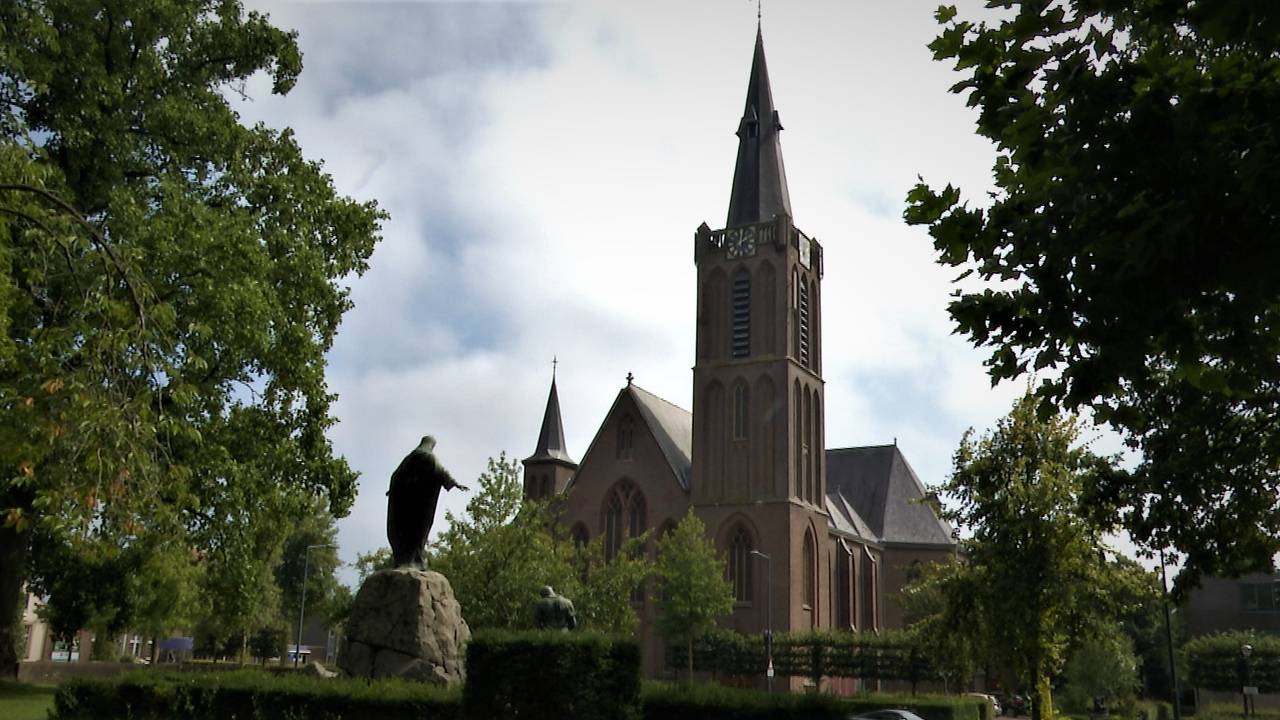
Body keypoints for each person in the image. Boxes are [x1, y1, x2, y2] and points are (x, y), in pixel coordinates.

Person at [386, 436, 467, 568]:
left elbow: (396, 476)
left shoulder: (409, 458)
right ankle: (414, 561)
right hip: (420, 506)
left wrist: (393, 490)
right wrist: (455, 483)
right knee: (419, 532)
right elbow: (441, 471)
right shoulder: (428, 457)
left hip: (406, 504)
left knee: (405, 531)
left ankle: (406, 560)